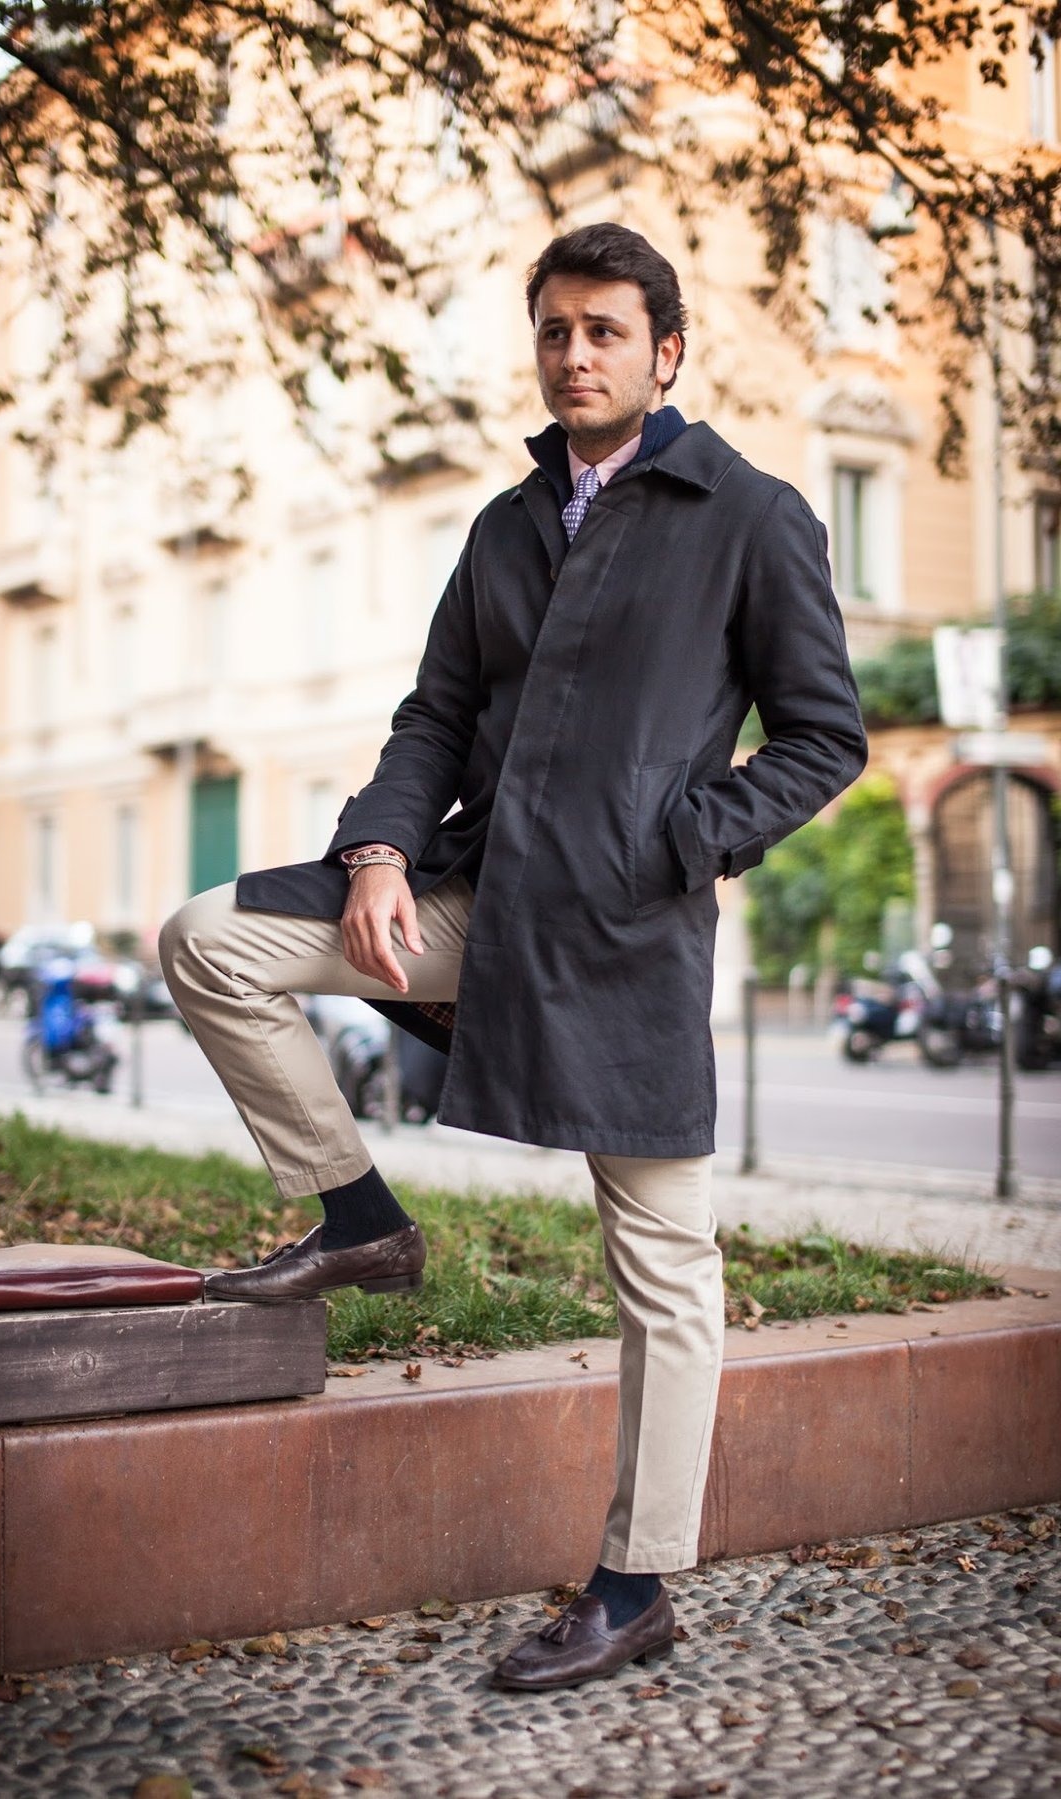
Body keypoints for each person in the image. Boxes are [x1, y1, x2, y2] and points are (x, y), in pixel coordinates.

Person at [159, 221, 867, 1691]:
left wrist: (680, 840)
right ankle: (358, 1213)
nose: (575, 354)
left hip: (624, 934)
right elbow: (433, 716)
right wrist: (378, 853)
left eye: (606, 330)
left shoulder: (751, 515)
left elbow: (823, 738)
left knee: (665, 1264)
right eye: (555, 329)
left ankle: (637, 1582)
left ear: (667, 352)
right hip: (470, 900)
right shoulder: (503, 526)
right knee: (208, 940)